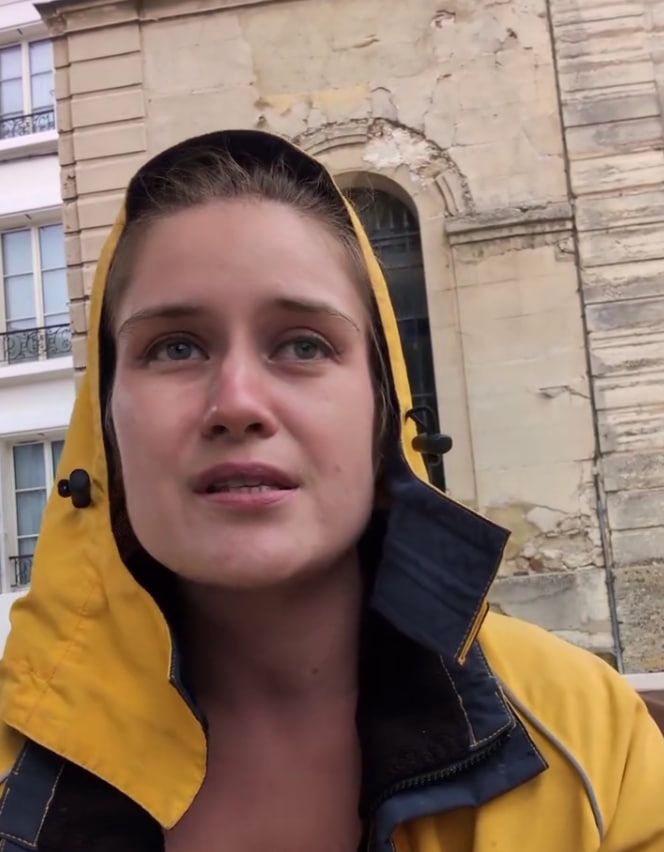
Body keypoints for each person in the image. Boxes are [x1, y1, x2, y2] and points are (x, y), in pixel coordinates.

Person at [0, 130, 662, 852]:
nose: (238, 403)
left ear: (383, 411)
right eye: (175, 347)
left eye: (303, 345)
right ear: (104, 426)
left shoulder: (588, 738)